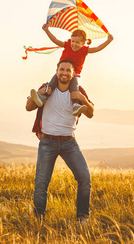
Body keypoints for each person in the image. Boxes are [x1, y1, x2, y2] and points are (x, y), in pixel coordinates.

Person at [25, 59, 95, 222]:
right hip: (47, 142)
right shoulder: (47, 88)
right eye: (61, 70)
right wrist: (41, 93)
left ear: (73, 73)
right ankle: (39, 219)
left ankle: (82, 218)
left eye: (67, 70)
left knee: (84, 178)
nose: (64, 73)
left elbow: (91, 113)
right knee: (41, 183)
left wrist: (83, 100)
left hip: (69, 142)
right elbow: (28, 107)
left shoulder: (78, 90)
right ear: (57, 71)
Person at [30, 24, 113, 116]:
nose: (74, 44)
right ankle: (43, 98)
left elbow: (97, 48)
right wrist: (47, 30)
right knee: (51, 86)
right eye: (73, 41)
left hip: (73, 75)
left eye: (77, 42)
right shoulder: (67, 45)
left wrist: (108, 41)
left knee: (74, 90)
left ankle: (75, 105)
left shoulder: (84, 50)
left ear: (83, 43)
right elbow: (55, 40)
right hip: (60, 73)